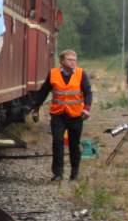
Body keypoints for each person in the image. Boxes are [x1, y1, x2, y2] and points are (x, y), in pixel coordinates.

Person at [31, 49, 92, 181]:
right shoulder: (53, 74)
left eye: (75, 60)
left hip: (76, 115)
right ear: (62, 61)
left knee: (73, 144)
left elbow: (88, 92)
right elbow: (44, 91)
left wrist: (86, 109)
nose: (73, 62)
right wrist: (36, 108)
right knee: (57, 142)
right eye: (70, 60)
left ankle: (74, 172)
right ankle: (58, 173)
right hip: (58, 115)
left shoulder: (81, 74)